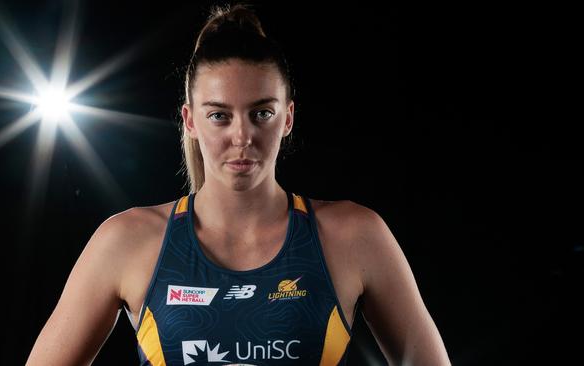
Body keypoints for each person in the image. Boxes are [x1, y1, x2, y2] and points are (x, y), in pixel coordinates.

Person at [26, 4, 451, 365]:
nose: (242, 136)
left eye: (261, 113)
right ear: (190, 121)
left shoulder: (353, 235)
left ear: (287, 117)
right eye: (219, 115)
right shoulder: (128, 241)